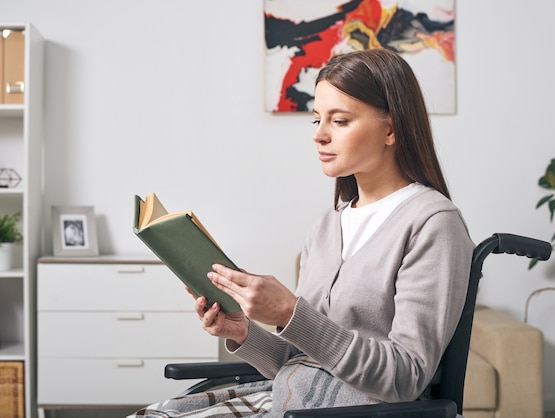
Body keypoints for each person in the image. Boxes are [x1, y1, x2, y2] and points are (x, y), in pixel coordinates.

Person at [129, 48, 473, 417]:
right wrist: (243, 331)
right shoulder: (328, 225)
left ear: (391, 128)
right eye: (316, 120)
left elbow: (406, 377)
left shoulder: (433, 222)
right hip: (298, 399)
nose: (320, 136)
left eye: (339, 121)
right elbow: (301, 361)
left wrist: (292, 312)